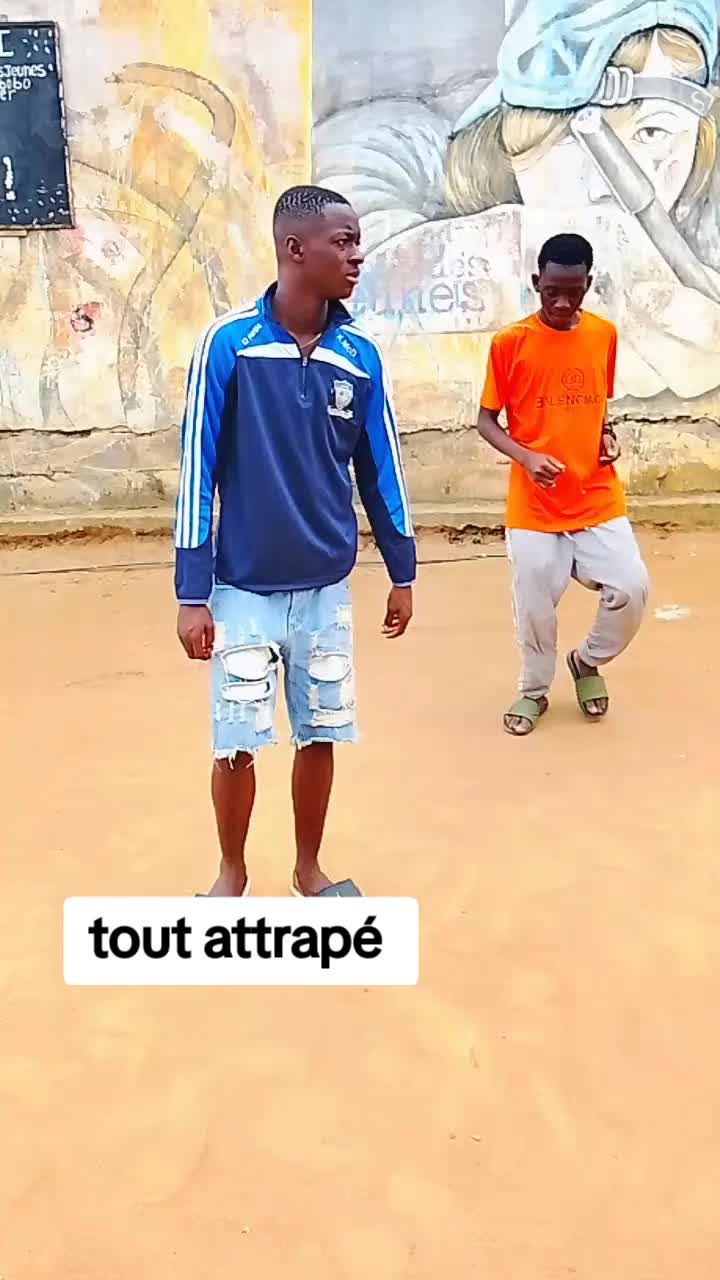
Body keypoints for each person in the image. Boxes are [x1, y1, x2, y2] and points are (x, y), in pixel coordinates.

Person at [173, 184, 416, 895]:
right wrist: (192, 593)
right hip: (242, 588)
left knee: (321, 734)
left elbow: (382, 469)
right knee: (236, 743)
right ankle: (232, 872)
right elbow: (196, 468)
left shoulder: (359, 356)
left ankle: (309, 870)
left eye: (357, 241)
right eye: (343, 242)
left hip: (324, 589)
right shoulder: (229, 346)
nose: (357, 255)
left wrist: (402, 571)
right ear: (294, 249)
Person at [476, 232, 649, 736]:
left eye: (573, 292)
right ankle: (534, 690)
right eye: (551, 291)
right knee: (534, 607)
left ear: (588, 284)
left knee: (632, 589)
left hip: (596, 494)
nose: (561, 302)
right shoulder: (510, 343)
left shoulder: (603, 335)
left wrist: (606, 434)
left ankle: (587, 660)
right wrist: (527, 458)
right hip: (534, 504)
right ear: (536, 282)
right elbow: (486, 421)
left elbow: (597, 403)